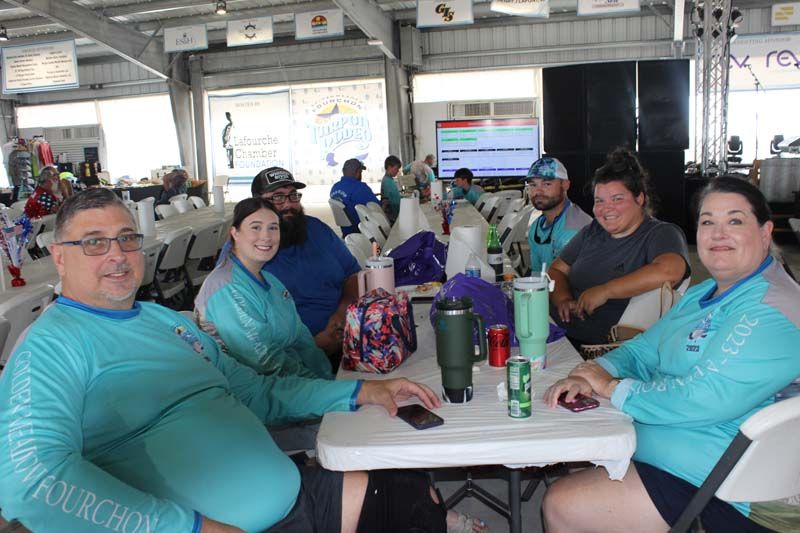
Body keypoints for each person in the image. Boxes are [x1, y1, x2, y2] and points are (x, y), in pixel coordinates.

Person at [0, 187, 462, 533]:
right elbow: (32, 481)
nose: (117, 255)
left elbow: (257, 392)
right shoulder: (49, 346)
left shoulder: (166, 321)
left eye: (127, 239)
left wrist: (362, 391)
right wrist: (191, 528)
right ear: (59, 257)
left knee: (414, 497)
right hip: (207, 525)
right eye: (94, 243)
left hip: (292, 498)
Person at [542, 176, 800, 533]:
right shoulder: (703, 293)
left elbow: (704, 397)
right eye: (708, 222)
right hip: (693, 454)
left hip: (739, 485)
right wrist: (594, 371)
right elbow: (645, 349)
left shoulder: (771, 308)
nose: (718, 233)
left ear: (765, 231)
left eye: (735, 221)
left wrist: (612, 388)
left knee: (562, 505)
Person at [548, 148, 690, 347]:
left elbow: (670, 271)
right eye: (599, 201)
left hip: (599, 347)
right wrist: (563, 299)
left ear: (639, 199)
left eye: (617, 199)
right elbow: (556, 269)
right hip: (556, 329)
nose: (606, 208)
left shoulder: (661, 233)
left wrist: (606, 291)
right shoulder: (593, 231)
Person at [195, 197, 333, 380]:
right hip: (249, 387)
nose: (266, 237)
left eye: (273, 228)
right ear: (235, 233)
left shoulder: (271, 281)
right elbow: (265, 360)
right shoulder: (226, 288)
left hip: (294, 378)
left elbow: (302, 338)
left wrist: (325, 376)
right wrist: (320, 386)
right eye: (256, 227)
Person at [253, 167, 360, 358]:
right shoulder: (246, 250)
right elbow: (247, 331)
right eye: (278, 197)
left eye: (293, 195)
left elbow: (353, 275)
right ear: (256, 203)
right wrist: (312, 347)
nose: (288, 204)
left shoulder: (316, 229)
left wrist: (342, 315)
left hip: (349, 333)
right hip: (295, 361)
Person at [526, 156, 591, 273]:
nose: (538, 191)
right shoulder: (535, 228)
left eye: (547, 184)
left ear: (565, 185)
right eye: (533, 185)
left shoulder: (574, 229)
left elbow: (572, 280)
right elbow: (536, 274)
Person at [330, 158, 380, 236]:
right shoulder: (360, 187)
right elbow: (377, 208)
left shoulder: (335, 187)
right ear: (357, 172)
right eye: (361, 172)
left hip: (346, 232)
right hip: (363, 231)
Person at [381, 155, 402, 224]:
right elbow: (389, 203)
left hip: (395, 215)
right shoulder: (387, 182)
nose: (397, 171)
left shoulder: (389, 180)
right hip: (394, 218)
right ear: (389, 167)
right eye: (396, 169)